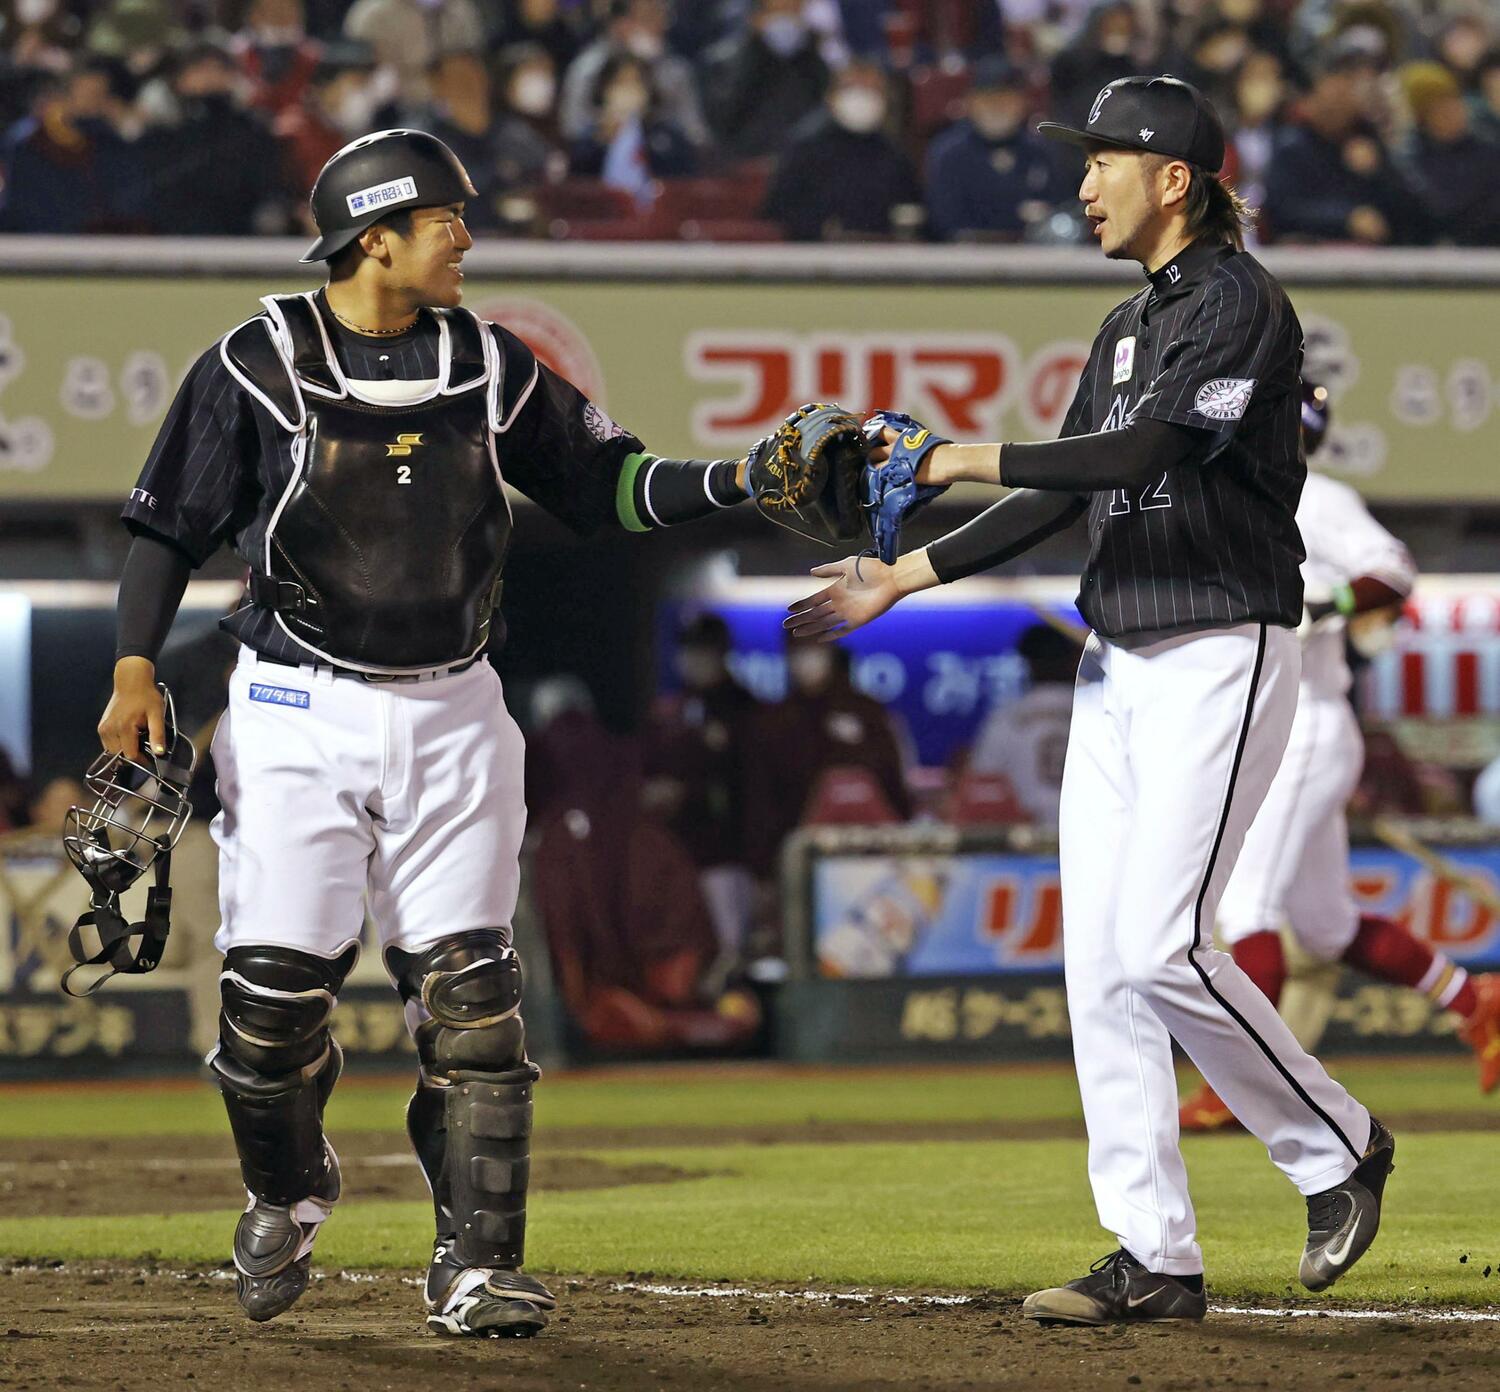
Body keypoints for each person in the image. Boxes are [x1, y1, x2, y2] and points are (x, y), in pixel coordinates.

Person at [95, 128, 769, 1338]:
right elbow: (166, 529)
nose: (468, 237)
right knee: (270, 1007)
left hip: (457, 707)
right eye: (447, 219)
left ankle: (475, 1266)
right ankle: (289, 1190)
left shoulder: (489, 362)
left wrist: (737, 484)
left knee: (475, 1000)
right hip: (296, 706)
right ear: (376, 239)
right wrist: (137, 665)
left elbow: (610, 485)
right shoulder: (255, 362)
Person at [787, 75, 1394, 1324]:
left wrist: (956, 452)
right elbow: (1065, 495)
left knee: (1165, 945)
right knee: (1102, 975)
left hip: (1220, 645)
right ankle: (1153, 1255)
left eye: (1103, 160)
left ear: (1175, 179)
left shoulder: (1240, 303)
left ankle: (1338, 1149)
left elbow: (1145, 455)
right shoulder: (1126, 328)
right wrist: (901, 575)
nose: (1081, 182)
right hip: (1118, 660)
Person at [1179, 383, 1500, 1129]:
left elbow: (1393, 571)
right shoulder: (1237, 497)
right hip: (1281, 725)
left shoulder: (1312, 496)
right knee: (1323, 925)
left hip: (1309, 723)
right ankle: (1472, 999)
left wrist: (1330, 605)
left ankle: (1245, 1089)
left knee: (1248, 906)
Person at [642, 613, 760, 963]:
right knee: (681, 952)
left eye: (703, 651)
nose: (694, 660)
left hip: (727, 854)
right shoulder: (672, 708)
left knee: (729, 955)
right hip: (676, 852)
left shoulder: (743, 708)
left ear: (721, 653)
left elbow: (749, 787)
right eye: (689, 650)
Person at [1262, 46, 1419, 245]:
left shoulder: (1368, 142)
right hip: (1309, 256)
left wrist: (1379, 171)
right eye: (1334, 92)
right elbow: (1282, 211)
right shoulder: (1291, 143)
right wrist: (1346, 219)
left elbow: (1408, 212)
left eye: (1349, 92)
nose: (1340, 101)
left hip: (1370, 259)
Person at [761, 61, 921, 241]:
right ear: (831, 97)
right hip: (815, 258)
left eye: (871, 90)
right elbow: (777, 212)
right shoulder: (804, 150)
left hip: (880, 259)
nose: (861, 97)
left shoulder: (895, 157)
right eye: (851, 88)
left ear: (885, 99)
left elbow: (912, 214)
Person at [924, 56, 1067, 242]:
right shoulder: (948, 154)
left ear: (1022, 103)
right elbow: (942, 221)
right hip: (962, 260)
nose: (996, 108)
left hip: (1032, 258)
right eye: (987, 100)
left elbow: (1062, 213)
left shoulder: (1042, 153)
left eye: (1004, 99)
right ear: (970, 103)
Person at [966, 622, 1077, 825]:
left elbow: (984, 786)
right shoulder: (1097, 713)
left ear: (1027, 665)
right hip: (1089, 836)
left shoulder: (1005, 718)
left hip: (1025, 842)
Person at [558, 0, 707, 149]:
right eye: (647, 17)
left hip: (660, 160)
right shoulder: (588, 68)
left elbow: (695, 133)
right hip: (601, 160)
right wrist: (605, 130)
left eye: (661, 16)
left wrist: (654, 129)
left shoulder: (674, 71)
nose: (660, 25)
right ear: (620, 23)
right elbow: (572, 127)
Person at [700, 0, 830, 161]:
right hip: (746, 165)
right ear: (755, 16)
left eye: (793, 12)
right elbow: (724, 119)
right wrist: (758, 48)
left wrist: (809, 48)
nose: (786, 21)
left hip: (803, 163)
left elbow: (823, 115)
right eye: (778, 13)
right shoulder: (722, 61)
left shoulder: (815, 60)